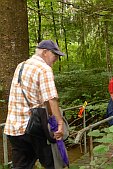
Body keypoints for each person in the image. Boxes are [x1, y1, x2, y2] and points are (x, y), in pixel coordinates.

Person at [4, 40, 66, 169]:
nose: (56, 59)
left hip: (13, 128)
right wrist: (60, 123)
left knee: (21, 166)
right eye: (55, 55)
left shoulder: (21, 66)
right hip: (33, 128)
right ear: (45, 52)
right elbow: (51, 98)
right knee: (53, 163)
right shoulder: (44, 69)